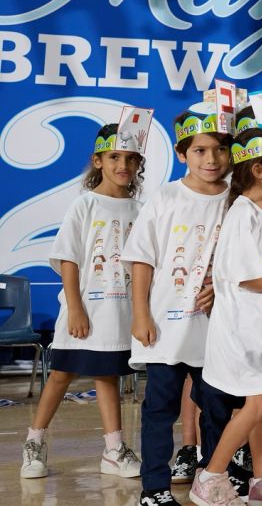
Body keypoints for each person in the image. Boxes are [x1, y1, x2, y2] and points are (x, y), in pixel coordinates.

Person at [21, 121, 147, 481]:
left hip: (120, 310)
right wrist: (75, 306)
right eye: (114, 157)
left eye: (131, 159)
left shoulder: (141, 210)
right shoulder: (85, 204)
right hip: (86, 308)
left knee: (107, 374)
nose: (123, 165)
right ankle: (34, 442)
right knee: (61, 373)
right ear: (98, 160)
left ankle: (113, 449)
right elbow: (69, 258)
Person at [189, 126, 262, 506]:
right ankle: (211, 476)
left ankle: (258, 481)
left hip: (259, 328)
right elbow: (245, 275)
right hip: (241, 330)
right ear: (258, 169)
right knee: (257, 404)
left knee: (261, 405)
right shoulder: (243, 214)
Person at [126, 107, 231, 506]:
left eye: (220, 149)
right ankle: (154, 488)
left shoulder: (236, 200)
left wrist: (222, 288)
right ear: (181, 152)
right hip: (167, 328)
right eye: (200, 150)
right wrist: (140, 314)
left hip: (217, 329)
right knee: (159, 410)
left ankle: (212, 478)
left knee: (217, 408)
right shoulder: (166, 197)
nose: (211, 159)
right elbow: (142, 259)